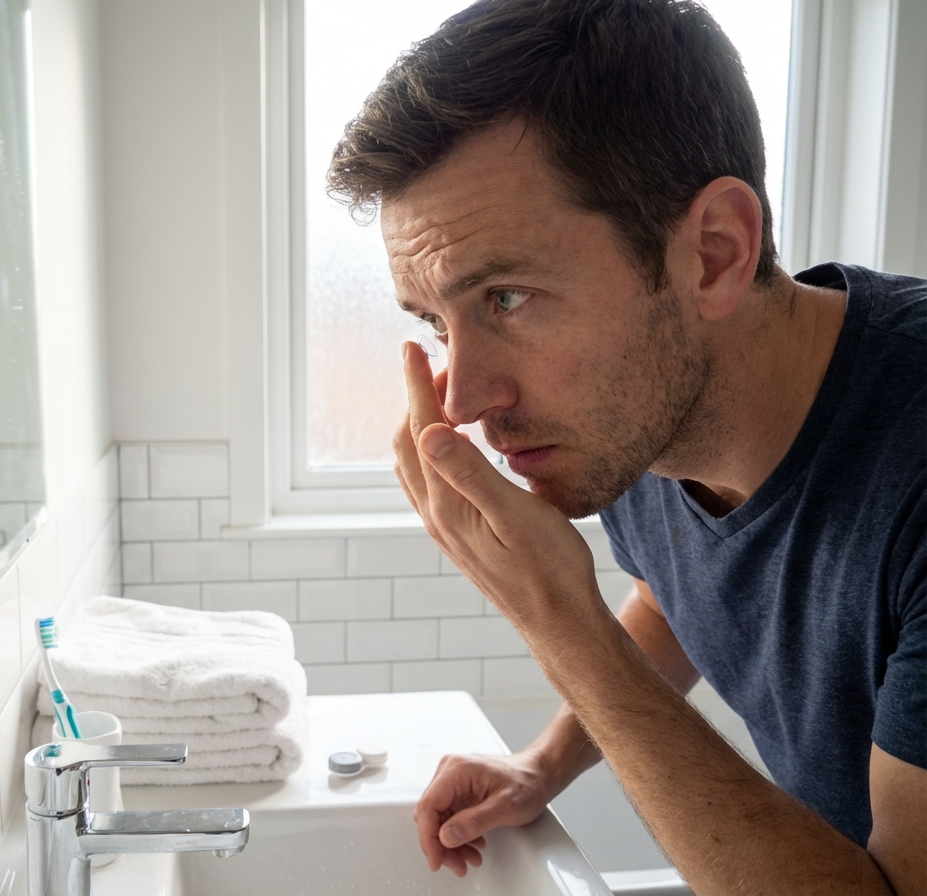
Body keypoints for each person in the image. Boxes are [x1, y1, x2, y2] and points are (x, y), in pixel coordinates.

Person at [326, 0, 925, 892]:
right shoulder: (641, 411)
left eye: (508, 298)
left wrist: (558, 621)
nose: (463, 402)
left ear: (714, 253)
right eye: (436, 323)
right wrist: (542, 764)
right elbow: (675, 591)